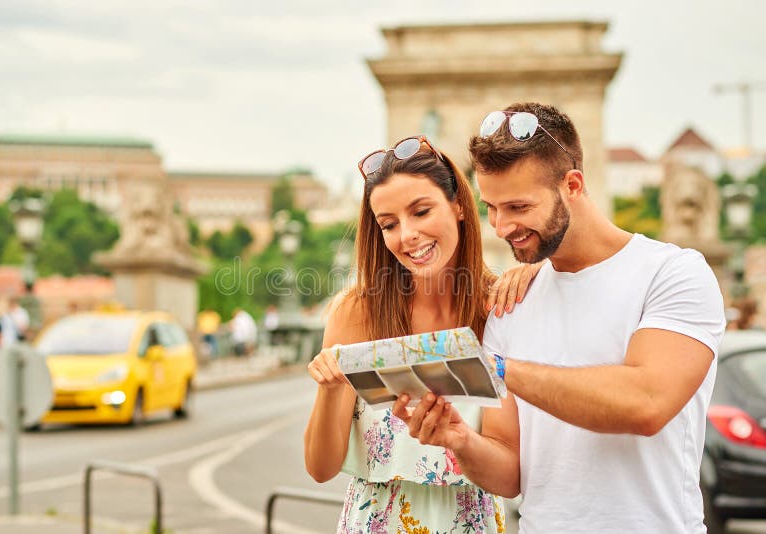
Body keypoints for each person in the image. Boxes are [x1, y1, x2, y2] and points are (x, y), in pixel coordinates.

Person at [394, 102, 726, 533]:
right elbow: (509, 475)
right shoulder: (513, 300)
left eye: (517, 206)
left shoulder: (673, 273)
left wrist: (495, 368)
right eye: (491, 207)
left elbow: (645, 404)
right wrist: (461, 441)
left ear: (572, 184)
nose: (500, 226)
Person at [304, 135, 531, 533]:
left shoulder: (499, 310)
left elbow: (509, 476)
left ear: (459, 205)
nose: (406, 234)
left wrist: (459, 440)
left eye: (421, 211)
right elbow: (320, 469)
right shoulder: (355, 314)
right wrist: (330, 387)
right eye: (388, 224)